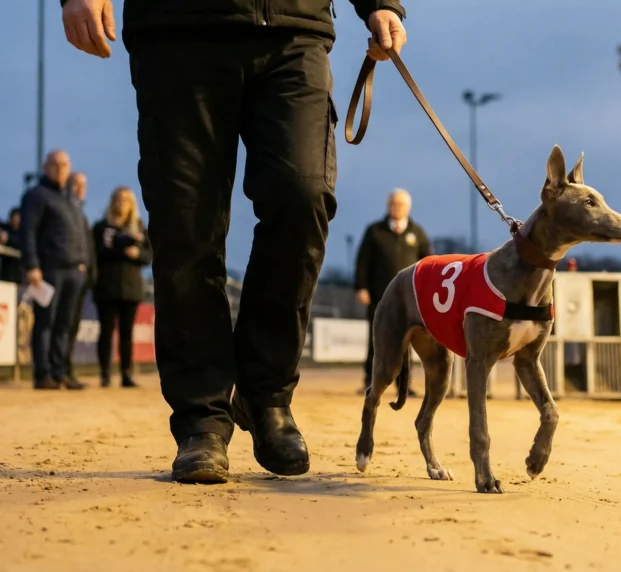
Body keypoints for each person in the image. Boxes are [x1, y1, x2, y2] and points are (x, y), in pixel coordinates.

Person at [61, 0, 408, 483]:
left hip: (294, 29)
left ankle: (265, 392)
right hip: (179, 32)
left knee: (303, 195)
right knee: (186, 224)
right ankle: (202, 416)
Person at [19, 150, 90, 391]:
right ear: (45, 166)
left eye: (65, 165)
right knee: (45, 324)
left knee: (65, 325)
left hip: (73, 271)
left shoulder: (71, 198)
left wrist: (82, 263)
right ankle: (43, 374)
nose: (61, 169)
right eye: (55, 164)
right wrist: (32, 265)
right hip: (49, 270)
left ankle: (61, 372)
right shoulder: (36, 196)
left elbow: (79, 232)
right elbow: (27, 232)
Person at [355, 189, 432, 395]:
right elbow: (362, 262)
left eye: (399, 205)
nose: (395, 208)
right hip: (379, 297)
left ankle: (404, 386)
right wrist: (361, 287)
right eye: (392, 204)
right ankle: (370, 383)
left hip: (408, 300)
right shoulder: (374, 232)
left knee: (406, 342)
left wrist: (427, 292)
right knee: (376, 340)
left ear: (408, 208)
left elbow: (427, 265)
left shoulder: (417, 233)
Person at [93, 187, 152, 389]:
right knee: (106, 331)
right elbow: (96, 254)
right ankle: (104, 374)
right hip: (106, 287)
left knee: (127, 333)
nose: (121, 203)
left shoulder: (139, 228)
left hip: (131, 288)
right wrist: (119, 249)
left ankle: (127, 374)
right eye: (118, 199)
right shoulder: (101, 227)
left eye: (126, 200)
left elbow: (149, 256)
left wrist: (137, 254)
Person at [64, 172, 98, 388]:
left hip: (82, 278)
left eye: (83, 185)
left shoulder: (80, 213)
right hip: (66, 273)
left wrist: (91, 274)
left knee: (71, 326)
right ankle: (58, 370)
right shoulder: (67, 209)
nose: (80, 188)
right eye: (76, 184)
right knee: (62, 326)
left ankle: (65, 369)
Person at [0, 208, 23, 283]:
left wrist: (9, 238)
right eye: (14, 217)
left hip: (19, 272)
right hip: (6, 271)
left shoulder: (23, 233)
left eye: (18, 217)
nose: (16, 220)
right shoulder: (5, 228)